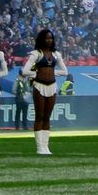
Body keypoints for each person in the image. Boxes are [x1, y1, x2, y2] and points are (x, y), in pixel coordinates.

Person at [26, 28, 64, 156]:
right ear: (41, 39)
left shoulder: (56, 54)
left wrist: (53, 73)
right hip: (39, 86)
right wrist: (37, 73)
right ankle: (39, 146)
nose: (49, 40)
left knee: (47, 117)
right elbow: (25, 71)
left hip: (52, 86)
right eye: (47, 38)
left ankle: (46, 146)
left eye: (51, 38)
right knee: (39, 116)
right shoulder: (36, 54)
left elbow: (65, 71)